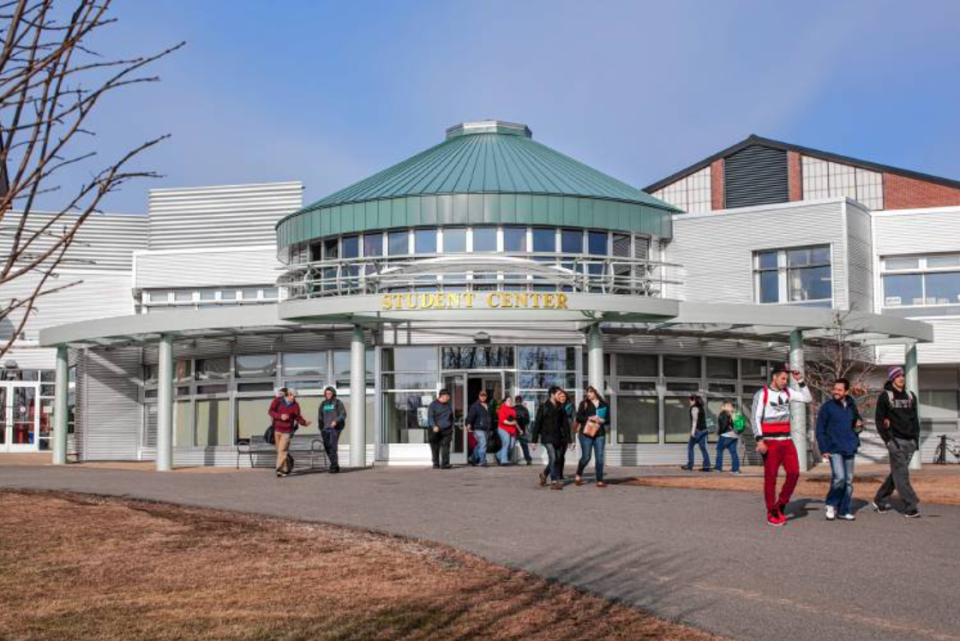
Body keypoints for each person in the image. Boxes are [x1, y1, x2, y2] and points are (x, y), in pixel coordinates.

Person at [752, 364, 812, 526]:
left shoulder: (788, 392)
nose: (786, 381)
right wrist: (759, 440)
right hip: (769, 443)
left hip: (786, 440)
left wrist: (800, 380)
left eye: (787, 379)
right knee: (770, 479)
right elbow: (755, 418)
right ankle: (771, 512)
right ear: (775, 377)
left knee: (794, 473)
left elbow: (807, 399)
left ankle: (781, 505)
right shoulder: (762, 394)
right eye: (783, 378)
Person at [873, 366, 922, 518]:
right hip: (896, 441)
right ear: (892, 379)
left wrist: (916, 440)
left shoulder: (910, 395)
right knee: (902, 473)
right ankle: (910, 505)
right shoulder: (885, 396)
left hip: (910, 441)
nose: (901, 378)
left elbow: (915, 420)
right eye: (897, 376)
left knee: (897, 472)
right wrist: (888, 441)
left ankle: (880, 499)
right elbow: (879, 420)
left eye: (902, 375)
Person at [815, 378, 862, 521]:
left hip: (849, 447)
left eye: (839, 390)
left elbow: (856, 423)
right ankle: (830, 503)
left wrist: (859, 425)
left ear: (846, 392)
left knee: (848, 482)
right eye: (834, 389)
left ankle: (843, 510)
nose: (835, 392)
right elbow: (819, 430)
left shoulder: (852, 405)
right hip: (834, 448)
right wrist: (824, 449)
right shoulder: (827, 407)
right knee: (839, 478)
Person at [531, 387, 571, 490]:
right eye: (558, 394)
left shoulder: (561, 408)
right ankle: (554, 481)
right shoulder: (543, 407)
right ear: (552, 395)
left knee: (556, 459)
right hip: (547, 437)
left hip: (558, 437)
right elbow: (537, 424)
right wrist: (534, 440)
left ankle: (544, 475)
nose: (560, 396)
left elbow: (565, 425)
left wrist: (569, 440)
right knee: (553, 457)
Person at [268, 387, 310, 477]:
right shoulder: (277, 401)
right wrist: (280, 416)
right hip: (277, 429)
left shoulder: (295, 405)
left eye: (295, 397)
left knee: (282, 450)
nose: (294, 398)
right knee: (280, 451)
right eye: (293, 396)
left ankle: (278, 469)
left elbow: (297, 417)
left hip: (287, 431)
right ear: (288, 394)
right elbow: (270, 411)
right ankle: (285, 469)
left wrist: (304, 423)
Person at [574, 385, 609, 487]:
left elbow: (608, 420)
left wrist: (602, 420)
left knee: (600, 457)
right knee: (586, 457)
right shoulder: (584, 404)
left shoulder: (604, 404)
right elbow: (578, 418)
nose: (588, 394)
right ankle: (578, 473)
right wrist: (589, 417)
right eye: (587, 392)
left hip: (599, 434)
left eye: (590, 392)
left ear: (596, 392)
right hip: (586, 434)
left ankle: (599, 480)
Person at [319, 386, 347, 473]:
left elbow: (343, 414)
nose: (328, 395)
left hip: (335, 428)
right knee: (327, 447)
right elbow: (320, 416)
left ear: (333, 394)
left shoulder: (338, 403)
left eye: (329, 393)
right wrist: (321, 427)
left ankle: (334, 467)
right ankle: (335, 465)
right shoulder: (323, 404)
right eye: (326, 393)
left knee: (332, 446)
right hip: (325, 429)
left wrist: (336, 421)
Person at [681, 395, 711, 472]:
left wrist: (692, 432)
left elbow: (695, 421)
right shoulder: (701, 408)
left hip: (697, 431)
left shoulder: (694, 408)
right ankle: (706, 466)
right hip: (704, 430)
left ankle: (690, 466)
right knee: (703, 448)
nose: (689, 402)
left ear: (694, 400)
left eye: (690, 400)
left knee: (690, 447)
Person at [427, 389, 454, 469]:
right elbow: (430, 417)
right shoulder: (433, 405)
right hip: (435, 430)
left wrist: (452, 426)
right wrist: (434, 426)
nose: (449, 397)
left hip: (447, 430)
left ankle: (445, 464)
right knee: (435, 447)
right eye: (447, 396)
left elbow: (451, 416)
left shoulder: (448, 405)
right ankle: (436, 463)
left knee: (446, 446)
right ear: (442, 396)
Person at [466, 390, 493, 467]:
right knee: (483, 443)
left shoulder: (488, 406)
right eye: (481, 395)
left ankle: (473, 458)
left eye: (484, 395)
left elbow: (491, 417)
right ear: (479, 396)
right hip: (478, 428)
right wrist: (468, 424)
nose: (483, 397)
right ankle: (483, 461)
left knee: (480, 445)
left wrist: (491, 428)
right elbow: (470, 416)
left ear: (486, 396)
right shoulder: (475, 406)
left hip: (487, 429)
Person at [714, 400, 740, 473]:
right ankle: (735, 469)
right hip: (734, 435)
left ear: (725, 406)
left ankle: (718, 468)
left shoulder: (723, 413)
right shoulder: (733, 413)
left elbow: (724, 425)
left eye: (722, 405)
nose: (721, 407)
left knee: (719, 450)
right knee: (733, 452)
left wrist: (719, 432)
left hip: (725, 435)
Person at [496, 395, 519, 465]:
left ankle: (498, 455)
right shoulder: (502, 409)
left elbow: (515, 421)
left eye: (511, 400)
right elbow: (502, 421)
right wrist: (511, 423)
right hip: (503, 428)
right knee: (506, 442)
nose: (510, 402)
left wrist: (519, 429)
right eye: (508, 400)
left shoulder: (513, 410)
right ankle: (504, 460)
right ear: (505, 402)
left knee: (511, 446)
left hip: (512, 430)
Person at [514, 395, 534, 465]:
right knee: (524, 446)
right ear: (521, 401)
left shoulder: (512, 409)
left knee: (510, 445)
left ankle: (507, 459)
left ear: (515, 401)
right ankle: (528, 460)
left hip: (513, 430)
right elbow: (527, 421)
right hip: (522, 430)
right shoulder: (525, 409)